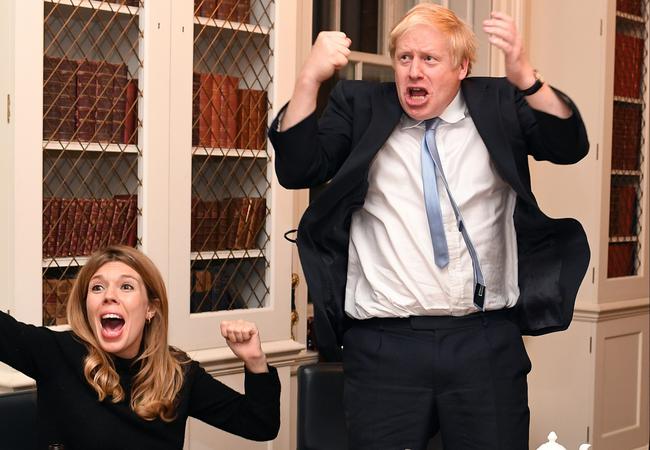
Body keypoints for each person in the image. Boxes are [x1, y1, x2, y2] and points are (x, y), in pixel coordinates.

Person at [269, 4, 589, 450]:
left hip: (484, 343)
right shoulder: (361, 106)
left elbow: (568, 145)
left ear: (462, 67)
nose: (413, 72)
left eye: (429, 60)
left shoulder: (499, 103)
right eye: (404, 58)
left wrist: (526, 78)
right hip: (384, 347)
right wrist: (309, 79)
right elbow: (298, 168)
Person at [0, 245, 280, 449]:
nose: (109, 296)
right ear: (87, 307)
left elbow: (260, 425)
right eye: (97, 288)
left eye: (126, 287)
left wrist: (255, 361)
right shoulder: (57, 353)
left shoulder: (178, 374)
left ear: (150, 309)